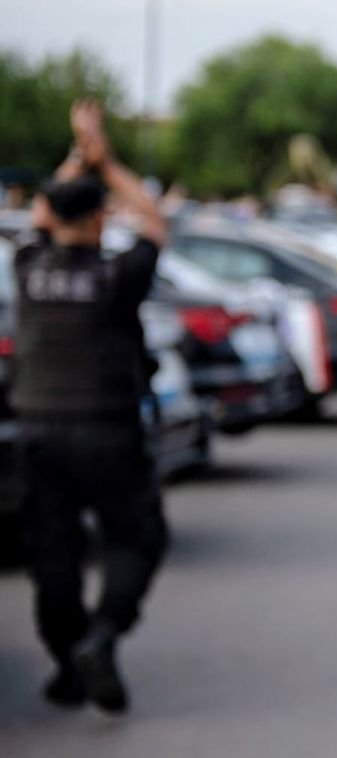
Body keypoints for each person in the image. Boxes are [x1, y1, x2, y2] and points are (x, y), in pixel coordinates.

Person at [14, 101, 169, 714]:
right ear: (103, 218)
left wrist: (78, 157)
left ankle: (68, 657)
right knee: (136, 537)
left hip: (38, 426)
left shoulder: (27, 267)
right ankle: (101, 639)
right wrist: (108, 161)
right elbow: (154, 220)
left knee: (53, 552)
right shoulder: (118, 274)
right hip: (108, 428)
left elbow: (45, 206)